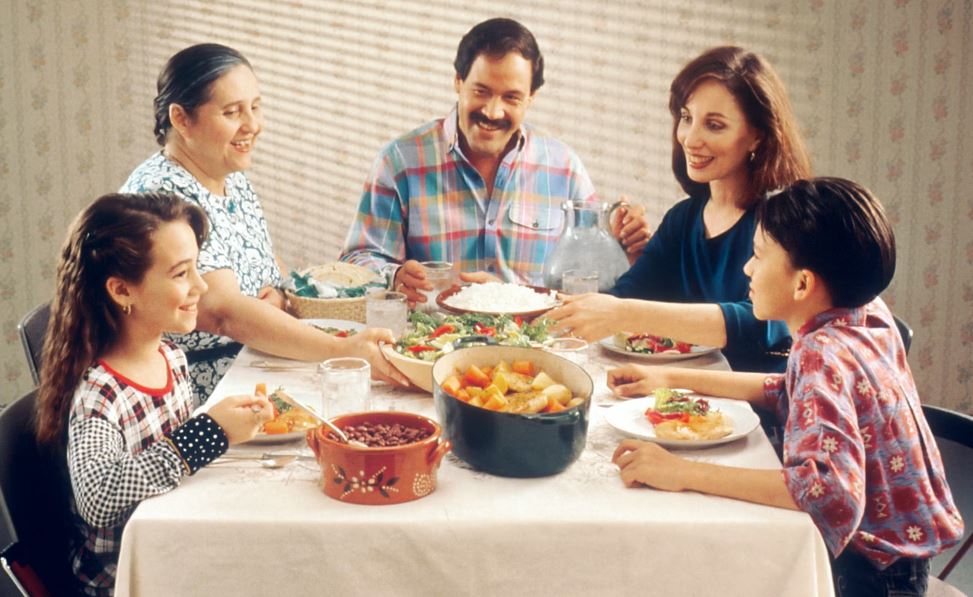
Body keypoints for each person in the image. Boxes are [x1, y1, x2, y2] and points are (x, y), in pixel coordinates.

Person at [610, 178, 964, 597]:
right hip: (905, 559)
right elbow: (788, 388)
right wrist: (669, 377)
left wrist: (680, 472)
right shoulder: (866, 313)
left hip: (869, 573)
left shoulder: (822, 353)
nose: (747, 269)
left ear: (802, 285)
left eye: (758, 256)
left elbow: (827, 495)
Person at [121, 43, 407, 401]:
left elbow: (266, 265)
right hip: (193, 391)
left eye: (255, 107)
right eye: (232, 112)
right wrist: (342, 350)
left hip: (253, 363)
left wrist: (282, 294)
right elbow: (222, 313)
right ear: (181, 119)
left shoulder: (228, 175)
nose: (253, 125)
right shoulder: (162, 197)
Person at [33, 193, 275, 596]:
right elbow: (99, 495)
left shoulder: (170, 356)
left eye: (197, 268)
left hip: (178, 541)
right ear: (122, 291)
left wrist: (230, 428)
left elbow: (173, 463)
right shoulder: (100, 394)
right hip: (134, 576)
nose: (201, 286)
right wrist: (208, 435)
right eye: (182, 274)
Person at [339, 17, 651, 307]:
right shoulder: (400, 162)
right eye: (481, 91)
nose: (492, 111)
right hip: (430, 346)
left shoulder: (563, 167)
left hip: (535, 351)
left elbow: (591, 280)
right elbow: (357, 259)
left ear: (531, 98)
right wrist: (394, 277)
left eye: (511, 97)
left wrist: (624, 246)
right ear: (458, 82)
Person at [547, 46, 812, 373]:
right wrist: (519, 303)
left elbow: (762, 322)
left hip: (760, 411)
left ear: (757, 136)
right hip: (684, 399)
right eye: (687, 118)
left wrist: (625, 313)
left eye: (714, 125)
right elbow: (624, 296)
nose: (690, 138)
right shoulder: (683, 219)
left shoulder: (782, 222)